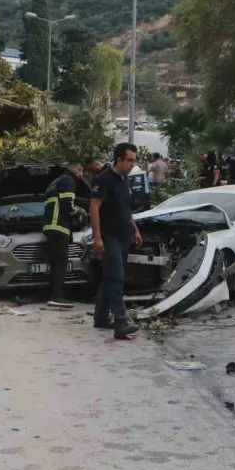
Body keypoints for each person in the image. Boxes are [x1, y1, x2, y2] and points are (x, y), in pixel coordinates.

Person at [90, 143, 143, 339]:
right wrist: (97, 236)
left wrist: (135, 230)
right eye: (130, 160)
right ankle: (120, 321)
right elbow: (94, 207)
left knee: (110, 277)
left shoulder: (125, 181)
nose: (132, 164)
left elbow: (126, 209)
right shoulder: (103, 180)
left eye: (134, 160)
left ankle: (101, 317)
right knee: (116, 278)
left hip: (125, 236)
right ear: (119, 159)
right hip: (109, 236)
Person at [44, 163, 87, 304]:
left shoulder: (55, 182)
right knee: (61, 263)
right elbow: (68, 204)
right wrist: (77, 215)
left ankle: (52, 294)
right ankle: (57, 297)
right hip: (60, 226)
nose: (81, 174)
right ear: (71, 167)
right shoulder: (68, 180)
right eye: (79, 170)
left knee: (55, 263)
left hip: (50, 225)